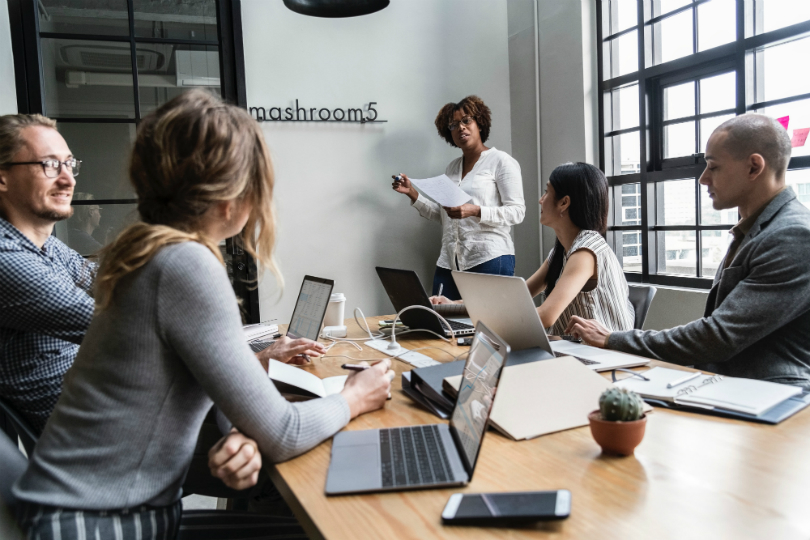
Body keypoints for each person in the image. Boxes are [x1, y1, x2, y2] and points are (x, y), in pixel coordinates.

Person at [12, 90, 394, 539]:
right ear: (230, 195)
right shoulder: (184, 264)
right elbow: (285, 433)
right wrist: (355, 395)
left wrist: (244, 431)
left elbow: (194, 378)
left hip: (88, 513)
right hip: (100, 526)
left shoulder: (146, 250)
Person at [0, 113, 276, 493]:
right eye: (50, 165)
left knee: (271, 423)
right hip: (108, 448)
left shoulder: (44, 247)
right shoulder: (6, 257)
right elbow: (125, 323)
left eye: (69, 163)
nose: (68, 178)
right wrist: (244, 360)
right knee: (292, 455)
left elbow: (117, 287)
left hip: (129, 416)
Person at [566, 114, 810, 389]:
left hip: (776, 398)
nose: (703, 179)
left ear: (754, 167)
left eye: (713, 167)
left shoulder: (794, 235)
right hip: (732, 387)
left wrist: (613, 339)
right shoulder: (754, 229)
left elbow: (720, 335)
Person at [434, 162, 635, 334]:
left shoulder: (586, 251)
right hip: (576, 349)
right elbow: (517, 297)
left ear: (564, 203)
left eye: (547, 192)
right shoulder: (562, 251)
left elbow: (545, 316)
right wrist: (454, 304)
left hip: (606, 357)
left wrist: (483, 317)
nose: (541, 199)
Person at [392, 95, 525, 300]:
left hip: (489, 257)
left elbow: (517, 212)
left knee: (485, 327)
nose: (460, 127)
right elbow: (444, 215)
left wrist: (475, 210)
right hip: (450, 261)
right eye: (453, 125)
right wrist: (412, 192)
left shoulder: (501, 161)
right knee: (442, 325)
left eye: (466, 120)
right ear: (449, 134)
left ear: (479, 123)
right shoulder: (452, 168)